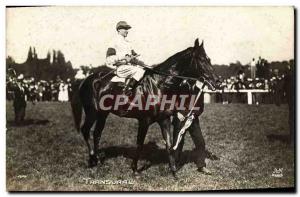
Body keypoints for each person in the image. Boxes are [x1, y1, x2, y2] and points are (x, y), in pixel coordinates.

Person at [105, 21, 146, 93]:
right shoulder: (114, 41)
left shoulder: (128, 43)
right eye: (125, 29)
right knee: (139, 71)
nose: (127, 31)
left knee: (145, 71)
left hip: (130, 68)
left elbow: (135, 58)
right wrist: (124, 57)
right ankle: (127, 90)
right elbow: (109, 59)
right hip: (121, 68)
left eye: (127, 29)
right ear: (119, 30)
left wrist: (144, 64)